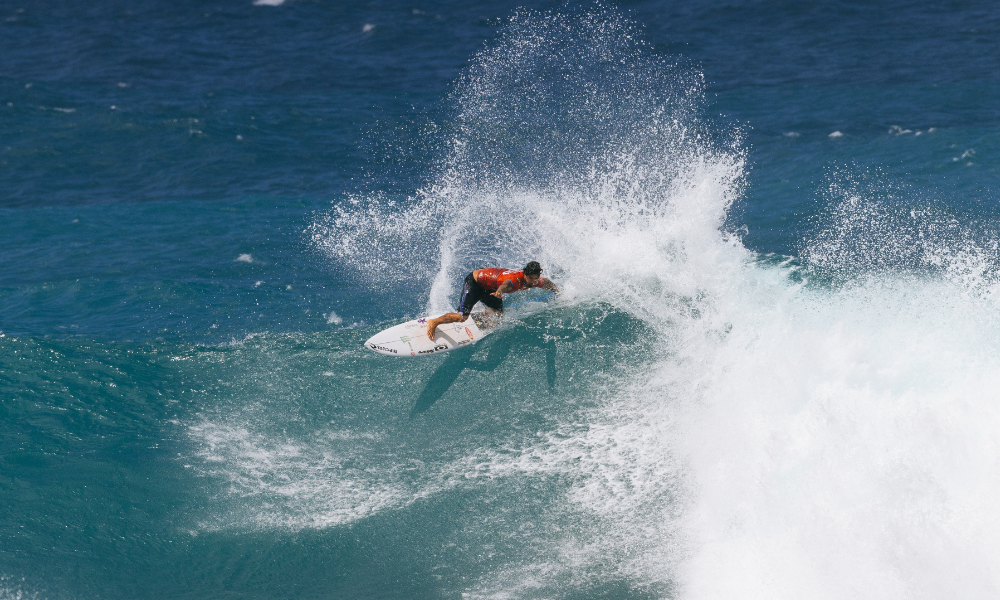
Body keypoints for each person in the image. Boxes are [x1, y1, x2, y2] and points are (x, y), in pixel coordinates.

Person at [426, 261, 559, 340]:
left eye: (536, 278)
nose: (534, 281)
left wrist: (558, 292)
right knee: (461, 317)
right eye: (532, 278)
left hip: (489, 287)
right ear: (525, 274)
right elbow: (506, 284)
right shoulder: (514, 280)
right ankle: (434, 322)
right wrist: (499, 292)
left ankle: (481, 314)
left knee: (498, 315)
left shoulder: (533, 280)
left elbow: (546, 282)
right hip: (475, 283)